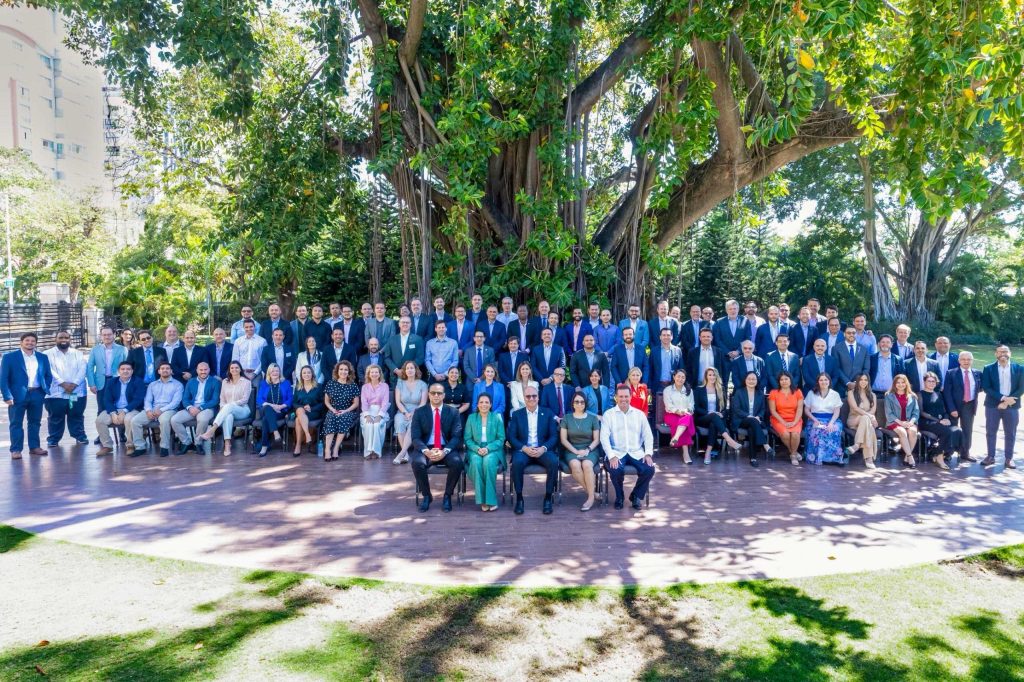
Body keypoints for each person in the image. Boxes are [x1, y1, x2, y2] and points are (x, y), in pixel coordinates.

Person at [410, 383, 465, 513]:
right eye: (433, 393)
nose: (436, 395)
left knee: (457, 463)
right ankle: (427, 496)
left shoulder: (453, 412)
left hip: (446, 447)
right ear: (428, 394)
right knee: (417, 463)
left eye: (439, 393)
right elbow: (415, 437)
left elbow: (457, 437)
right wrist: (427, 451)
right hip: (426, 447)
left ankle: (447, 496)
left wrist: (444, 451)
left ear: (444, 395)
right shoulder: (419, 412)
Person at [601, 384, 656, 511]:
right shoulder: (608, 415)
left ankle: (636, 496)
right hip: (616, 452)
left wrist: (648, 453)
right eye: (620, 396)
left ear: (630, 397)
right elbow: (604, 438)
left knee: (649, 469)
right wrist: (611, 456)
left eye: (626, 396)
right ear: (616, 398)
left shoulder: (639, 414)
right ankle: (619, 497)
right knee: (615, 470)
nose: (623, 399)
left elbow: (648, 436)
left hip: (636, 451)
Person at [508, 386, 559, 515]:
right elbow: (512, 437)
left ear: (538, 397)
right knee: (517, 463)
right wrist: (524, 448)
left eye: (534, 396)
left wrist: (543, 448)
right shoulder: (517, 414)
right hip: (524, 450)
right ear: (524, 398)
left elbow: (554, 436)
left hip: (542, 450)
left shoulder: (547, 413)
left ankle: (548, 497)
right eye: (528, 396)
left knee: (553, 461)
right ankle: (519, 498)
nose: (531, 398)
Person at [1, 332, 53, 460]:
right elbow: (3, 378)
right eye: (27, 340)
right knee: (16, 423)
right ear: (21, 342)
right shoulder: (9, 357)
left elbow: (48, 375)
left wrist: (44, 390)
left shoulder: (42, 357)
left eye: (33, 341)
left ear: (36, 343)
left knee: (35, 422)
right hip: (16, 396)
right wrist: (7, 396)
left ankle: (34, 447)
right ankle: (16, 450)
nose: (30, 343)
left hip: (37, 394)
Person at [980, 345, 1024, 468]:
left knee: (1010, 433)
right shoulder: (988, 368)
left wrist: (1006, 402)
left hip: (1012, 406)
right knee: (990, 431)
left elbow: (1021, 388)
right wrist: (1003, 399)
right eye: (1000, 351)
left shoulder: (1020, 368)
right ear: (996, 354)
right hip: (993, 406)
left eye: (1005, 351)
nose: (1003, 353)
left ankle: (1009, 458)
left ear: (1010, 353)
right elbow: (986, 387)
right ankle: (990, 456)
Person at [43, 330, 89, 447]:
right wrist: (62, 383)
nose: (63, 340)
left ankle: (80, 436)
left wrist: (74, 384)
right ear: (56, 339)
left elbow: (83, 369)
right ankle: (53, 439)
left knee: (76, 414)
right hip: (55, 393)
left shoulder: (78, 353)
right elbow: (49, 371)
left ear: (70, 339)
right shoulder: (47, 354)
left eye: (66, 338)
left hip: (75, 392)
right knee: (55, 416)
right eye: (61, 338)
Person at [129, 361, 182, 457]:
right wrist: (148, 410)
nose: (165, 370)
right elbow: (148, 400)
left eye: (167, 368)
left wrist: (161, 410)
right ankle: (140, 447)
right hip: (153, 409)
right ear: (158, 371)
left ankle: (164, 447)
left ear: (171, 371)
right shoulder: (152, 384)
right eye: (162, 369)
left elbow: (175, 403)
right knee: (135, 421)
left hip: (169, 409)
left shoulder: (178, 385)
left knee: (165, 420)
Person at [199, 361, 252, 456]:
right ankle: (227, 444)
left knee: (229, 406)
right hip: (227, 411)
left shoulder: (246, 382)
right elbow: (222, 398)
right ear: (229, 370)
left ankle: (212, 430)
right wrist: (225, 407)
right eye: (232, 368)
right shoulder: (225, 381)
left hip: (243, 410)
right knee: (228, 417)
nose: (234, 369)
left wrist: (229, 405)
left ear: (240, 369)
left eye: (236, 367)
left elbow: (244, 400)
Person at [465, 392, 506, 511]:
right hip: (475, 449)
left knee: (488, 461)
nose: (484, 404)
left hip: (493, 449)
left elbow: (501, 438)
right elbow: (467, 438)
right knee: (477, 462)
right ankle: (482, 500)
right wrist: (477, 449)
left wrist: (488, 448)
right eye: (481, 402)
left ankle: (490, 500)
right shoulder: (471, 418)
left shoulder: (496, 417)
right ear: (477, 405)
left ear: (491, 404)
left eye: (486, 402)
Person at [560, 392, 601, 511]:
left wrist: (587, 450)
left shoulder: (592, 418)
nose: (579, 404)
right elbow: (563, 440)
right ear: (573, 403)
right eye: (577, 401)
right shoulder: (567, 418)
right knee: (575, 465)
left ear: (585, 404)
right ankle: (592, 494)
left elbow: (596, 439)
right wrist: (576, 451)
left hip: (590, 449)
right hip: (572, 449)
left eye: (582, 402)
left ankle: (590, 498)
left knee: (587, 465)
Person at [169, 361, 220, 455]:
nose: (203, 372)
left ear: (209, 370)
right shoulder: (191, 381)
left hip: (207, 408)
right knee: (174, 419)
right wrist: (189, 407)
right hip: (191, 408)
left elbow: (215, 400)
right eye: (201, 370)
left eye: (205, 369)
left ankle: (198, 443)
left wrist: (200, 408)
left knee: (203, 418)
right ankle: (186, 442)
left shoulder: (215, 382)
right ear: (197, 370)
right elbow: (185, 399)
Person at [95, 361, 145, 456]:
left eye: (128, 369)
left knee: (128, 419)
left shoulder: (138, 381)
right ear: (118, 371)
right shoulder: (112, 382)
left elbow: (138, 399)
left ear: (132, 371)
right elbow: (107, 399)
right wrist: (113, 413)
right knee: (100, 420)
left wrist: (124, 411)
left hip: (131, 409)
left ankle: (130, 445)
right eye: (123, 369)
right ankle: (107, 446)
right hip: (114, 409)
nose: (125, 371)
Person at [694, 367, 743, 465]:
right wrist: (709, 412)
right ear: (706, 376)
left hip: (717, 419)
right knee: (713, 416)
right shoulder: (699, 389)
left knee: (713, 423)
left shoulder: (721, 389)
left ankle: (708, 452)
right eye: (710, 375)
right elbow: (696, 407)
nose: (712, 377)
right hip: (702, 418)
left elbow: (725, 408)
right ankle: (729, 440)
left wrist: (721, 414)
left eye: (714, 375)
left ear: (717, 376)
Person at [942, 351, 981, 462]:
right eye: (963, 359)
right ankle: (948, 452)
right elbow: (947, 393)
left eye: (969, 359)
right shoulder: (951, 373)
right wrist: (952, 408)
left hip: (969, 405)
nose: (966, 361)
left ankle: (965, 452)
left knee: (967, 430)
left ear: (972, 361)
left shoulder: (977, 373)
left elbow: (980, 387)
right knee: (953, 430)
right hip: (954, 406)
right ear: (959, 361)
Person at [730, 370, 774, 467]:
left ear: (757, 381)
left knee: (751, 430)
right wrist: (749, 416)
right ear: (745, 380)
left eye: (753, 379)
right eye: (749, 379)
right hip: (741, 420)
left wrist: (758, 416)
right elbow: (736, 409)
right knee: (752, 421)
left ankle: (753, 458)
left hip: (755, 422)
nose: (751, 381)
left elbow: (763, 409)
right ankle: (765, 444)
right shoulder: (739, 392)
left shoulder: (760, 393)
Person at [919, 371, 962, 471]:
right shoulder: (920, 394)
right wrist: (939, 421)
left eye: (933, 381)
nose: (931, 383)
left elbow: (944, 410)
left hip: (939, 421)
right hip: (926, 422)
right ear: (924, 382)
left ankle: (940, 453)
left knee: (957, 430)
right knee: (946, 431)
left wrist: (946, 418)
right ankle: (939, 457)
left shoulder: (939, 394)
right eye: (929, 381)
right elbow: (922, 413)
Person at [322, 360, 360, 460]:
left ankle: (335, 449)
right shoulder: (330, 383)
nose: (343, 372)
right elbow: (326, 401)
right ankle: (327, 450)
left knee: (343, 418)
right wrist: (332, 409)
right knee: (330, 418)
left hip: (347, 411)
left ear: (349, 372)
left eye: (346, 370)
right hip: (333, 409)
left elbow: (356, 403)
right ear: (337, 371)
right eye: (341, 369)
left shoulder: (353, 385)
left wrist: (345, 411)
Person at [803, 373, 844, 465]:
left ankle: (833, 458)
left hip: (832, 419)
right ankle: (817, 458)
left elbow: (837, 411)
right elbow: (806, 410)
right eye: (821, 380)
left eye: (826, 380)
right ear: (818, 382)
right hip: (815, 419)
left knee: (834, 429)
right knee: (818, 430)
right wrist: (814, 419)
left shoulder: (835, 394)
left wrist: (831, 423)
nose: (823, 382)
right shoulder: (811, 393)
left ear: (829, 381)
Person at [393, 360, 428, 464]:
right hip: (402, 411)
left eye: (412, 368)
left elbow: (423, 403)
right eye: (407, 368)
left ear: (416, 370)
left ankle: (401, 453)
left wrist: (413, 413)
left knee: (412, 425)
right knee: (399, 422)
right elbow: (398, 401)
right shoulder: (400, 384)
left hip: (418, 412)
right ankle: (406, 454)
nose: (409, 370)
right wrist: (404, 412)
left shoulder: (423, 384)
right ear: (405, 371)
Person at [254, 364, 293, 457]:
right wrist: (272, 406)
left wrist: (281, 406)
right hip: (266, 409)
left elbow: (290, 398)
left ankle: (264, 446)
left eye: (277, 371)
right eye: (273, 371)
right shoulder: (264, 383)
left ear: (280, 372)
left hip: (281, 411)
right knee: (268, 409)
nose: (275, 373)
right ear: (269, 373)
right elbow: (259, 399)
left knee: (265, 420)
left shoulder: (286, 383)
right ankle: (275, 432)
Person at [768, 371, 804, 465]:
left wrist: (795, 421)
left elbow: (800, 409)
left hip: (795, 418)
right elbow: (773, 411)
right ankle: (794, 453)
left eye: (786, 379)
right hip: (778, 419)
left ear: (790, 380)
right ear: (779, 382)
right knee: (785, 434)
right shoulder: (773, 393)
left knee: (795, 434)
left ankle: (793, 454)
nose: (784, 381)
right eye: (781, 379)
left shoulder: (798, 392)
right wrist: (783, 422)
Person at [885, 374, 920, 468]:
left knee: (913, 431)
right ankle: (910, 456)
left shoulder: (912, 396)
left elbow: (916, 412)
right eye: (898, 382)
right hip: (894, 422)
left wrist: (911, 422)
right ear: (894, 384)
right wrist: (901, 423)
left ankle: (906, 458)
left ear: (906, 383)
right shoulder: (889, 396)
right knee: (902, 432)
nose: (901, 384)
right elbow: (889, 413)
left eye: (903, 382)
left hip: (909, 421)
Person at [845, 373, 879, 468]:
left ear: (868, 382)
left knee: (867, 423)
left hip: (866, 423)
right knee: (866, 418)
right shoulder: (851, 393)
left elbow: (873, 410)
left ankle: (857, 445)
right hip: (853, 420)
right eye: (861, 380)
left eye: (866, 380)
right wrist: (871, 417)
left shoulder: (873, 395)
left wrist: (869, 416)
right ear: (857, 381)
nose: (863, 382)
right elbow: (855, 408)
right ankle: (869, 458)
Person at [662, 368, 695, 464]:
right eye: (678, 376)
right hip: (671, 415)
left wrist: (686, 411)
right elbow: (668, 405)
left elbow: (691, 405)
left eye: (683, 377)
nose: (680, 379)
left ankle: (676, 438)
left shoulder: (689, 390)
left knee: (687, 417)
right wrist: (677, 411)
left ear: (685, 379)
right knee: (685, 423)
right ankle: (686, 453)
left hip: (685, 415)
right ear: (674, 377)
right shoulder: (667, 390)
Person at [712, 300, 749, 385]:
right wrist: (727, 352)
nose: (733, 311)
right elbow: (717, 340)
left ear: (738, 309)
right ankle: (724, 398)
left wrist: (738, 351)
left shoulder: (745, 321)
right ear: (726, 310)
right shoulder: (719, 322)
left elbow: (747, 338)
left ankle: (738, 398)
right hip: (724, 357)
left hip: (740, 357)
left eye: (734, 308)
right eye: (730, 309)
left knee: (741, 381)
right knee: (723, 382)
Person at [291, 365, 324, 457]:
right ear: (301, 375)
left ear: (312, 374)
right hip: (301, 411)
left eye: (308, 372)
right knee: (300, 411)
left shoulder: (318, 387)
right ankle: (307, 434)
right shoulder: (298, 387)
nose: (306, 374)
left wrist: (311, 408)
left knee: (298, 419)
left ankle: (298, 445)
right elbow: (294, 403)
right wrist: (303, 407)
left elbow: (322, 403)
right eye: (304, 373)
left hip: (314, 412)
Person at [86, 325, 127, 397]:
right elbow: (90, 367)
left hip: (118, 381)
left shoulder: (122, 349)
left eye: (109, 334)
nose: (107, 337)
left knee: (116, 407)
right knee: (102, 407)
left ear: (114, 335)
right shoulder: (95, 350)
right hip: (100, 383)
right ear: (101, 336)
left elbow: (127, 367)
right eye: (104, 335)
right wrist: (91, 384)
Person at [360, 364, 391, 459]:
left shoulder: (385, 386)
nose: (374, 374)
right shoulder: (365, 387)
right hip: (368, 411)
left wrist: (380, 415)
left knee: (377, 425)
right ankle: (368, 452)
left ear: (379, 374)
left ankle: (376, 451)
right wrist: (367, 415)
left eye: (376, 372)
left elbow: (385, 403)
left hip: (381, 411)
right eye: (372, 372)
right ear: (369, 374)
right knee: (369, 425)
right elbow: (364, 402)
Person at [383, 316, 425, 385]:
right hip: (395, 376)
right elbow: (387, 358)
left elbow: (420, 358)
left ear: (411, 324)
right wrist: (396, 370)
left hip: (412, 377)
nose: (405, 324)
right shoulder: (391, 339)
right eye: (403, 322)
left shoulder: (418, 339)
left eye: (407, 322)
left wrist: (408, 370)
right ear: (399, 324)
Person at [832, 325, 869, 395]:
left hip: (859, 387)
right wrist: (848, 382)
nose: (851, 335)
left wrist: (857, 382)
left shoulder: (864, 349)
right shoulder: (836, 348)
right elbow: (836, 368)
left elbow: (866, 368)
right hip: (841, 386)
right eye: (849, 333)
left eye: (853, 333)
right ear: (844, 334)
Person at [231, 319, 267, 384]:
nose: (249, 329)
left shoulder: (262, 341)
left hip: (257, 374)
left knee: (256, 393)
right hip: (241, 373)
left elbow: (264, 360)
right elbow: (235, 359)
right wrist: (242, 372)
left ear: (254, 327)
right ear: (243, 328)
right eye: (246, 327)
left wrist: (255, 373)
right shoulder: (238, 341)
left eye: (251, 326)